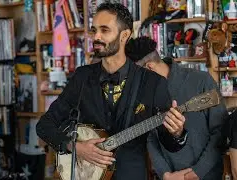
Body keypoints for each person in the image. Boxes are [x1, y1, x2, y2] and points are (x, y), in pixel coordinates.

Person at [36, 2, 188, 179]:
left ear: (124, 35)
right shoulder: (82, 77)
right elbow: (44, 126)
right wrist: (77, 148)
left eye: (104, 30)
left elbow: (169, 144)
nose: (96, 37)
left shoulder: (153, 83)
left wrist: (177, 132)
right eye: (94, 30)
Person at [126, 36, 227, 180]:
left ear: (149, 68)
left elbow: (220, 133)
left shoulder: (202, 81)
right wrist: (165, 174)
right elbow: (150, 139)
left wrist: (196, 173)